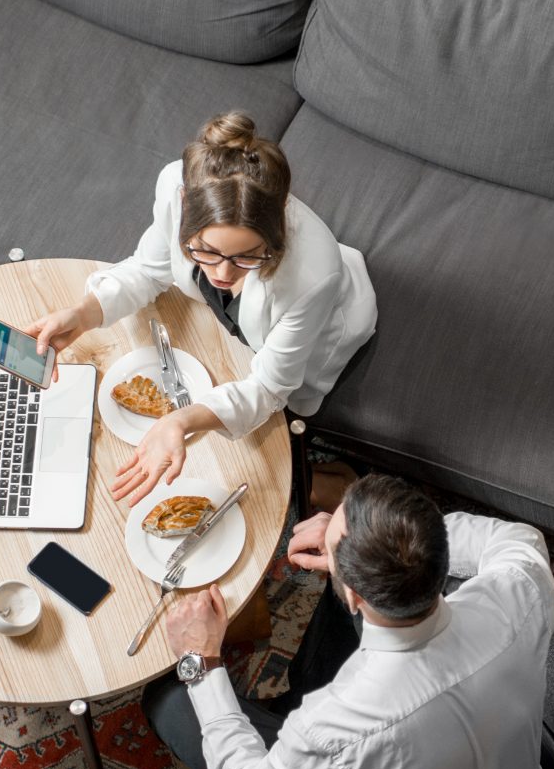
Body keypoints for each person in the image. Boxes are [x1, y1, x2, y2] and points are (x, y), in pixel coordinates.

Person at [142, 474, 554, 769]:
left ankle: (279, 745)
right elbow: (520, 537)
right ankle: (293, 716)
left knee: (168, 700)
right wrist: (377, 544)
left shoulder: (331, 723)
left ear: (358, 595)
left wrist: (200, 660)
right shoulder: (521, 590)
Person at [23, 113, 375, 506]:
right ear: (186, 207)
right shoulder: (176, 184)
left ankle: (325, 482)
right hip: (236, 328)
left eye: (246, 257)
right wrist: (83, 314)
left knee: (279, 421)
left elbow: (270, 387)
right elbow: (147, 270)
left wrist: (180, 420)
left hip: (320, 331)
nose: (222, 273)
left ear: (274, 240)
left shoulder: (312, 275)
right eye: (205, 251)